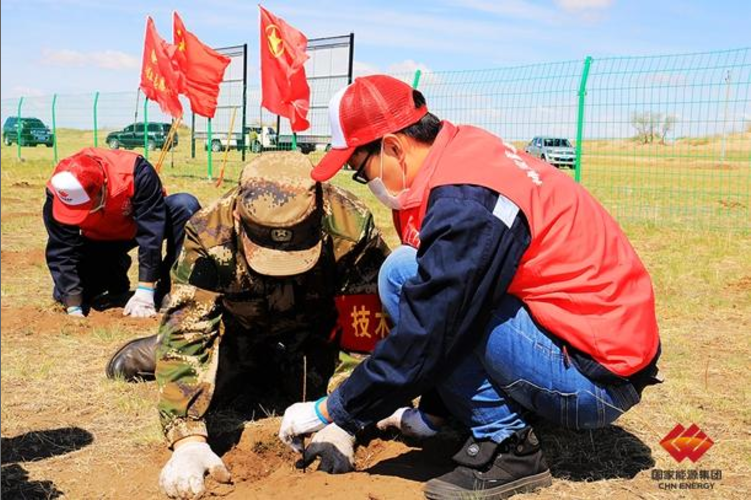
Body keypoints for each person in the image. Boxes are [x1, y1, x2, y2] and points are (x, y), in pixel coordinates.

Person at [279, 75, 662, 500]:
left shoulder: (467, 203)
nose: (366, 183)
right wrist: (434, 416)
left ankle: (508, 447)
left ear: (393, 146)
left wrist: (333, 410)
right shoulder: (464, 151)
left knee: (417, 287)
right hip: (592, 346)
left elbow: (432, 331)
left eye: (359, 169)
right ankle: (455, 418)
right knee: (411, 272)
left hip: (596, 383)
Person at [120, 152, 389, 499]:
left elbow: (364, 326)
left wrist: (344, 418)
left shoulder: (350, 227)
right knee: (221, 380)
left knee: (304, 388)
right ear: (238, 217)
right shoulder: (208, 231)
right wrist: (187, 439)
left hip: (315, 336)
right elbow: (189, 328)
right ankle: (157, 349)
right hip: (239, 331)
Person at [44, 147, 200, 318]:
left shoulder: (136, 172)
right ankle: (114, 270)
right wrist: (74, 306)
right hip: (97, 240)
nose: (84, 212)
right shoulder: (60, 191)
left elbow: (151, 232)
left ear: (103, 186)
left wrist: (145, 288)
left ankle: (172, 290)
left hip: (136, 227)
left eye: (86, 207)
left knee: (185, 206)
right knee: (65, 294)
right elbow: (61, 249)